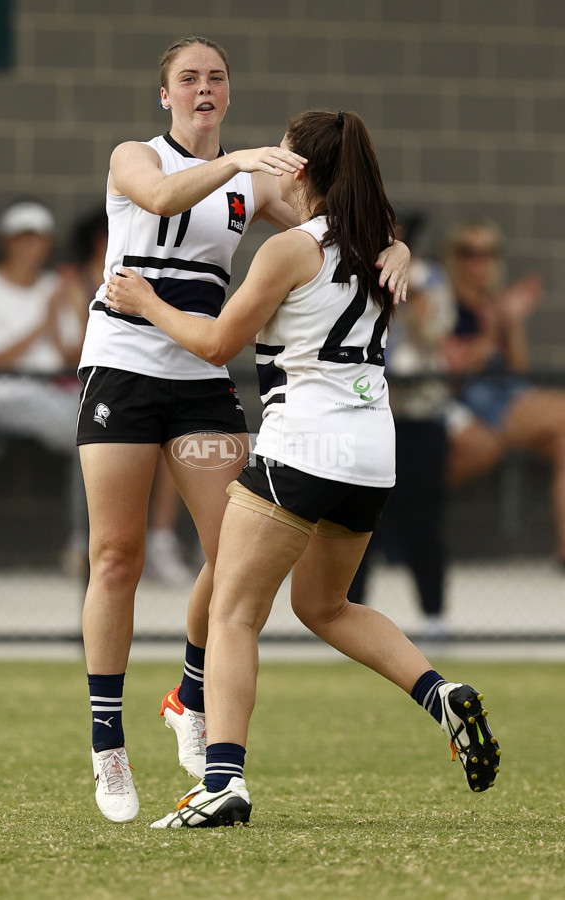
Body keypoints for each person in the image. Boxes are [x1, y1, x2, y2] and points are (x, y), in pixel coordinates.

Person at [106, 109, 500, 829]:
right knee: (324, 607)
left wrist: (147, 302)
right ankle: (439, 693)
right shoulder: (379, 244)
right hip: (371, 455)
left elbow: (217, 343)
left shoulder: (291, 249)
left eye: (283, 158)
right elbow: (385, 243)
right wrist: (404, 246)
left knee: (233, 610)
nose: (272, 167)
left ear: (305, 170)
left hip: (302, 447)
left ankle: (222, 780)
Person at [76, 36, 411, 824]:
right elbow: (159, 200)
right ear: (166, 95)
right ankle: (106, 745)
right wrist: (240, 165)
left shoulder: (248, 182)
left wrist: (394, 246)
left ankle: (189, 696)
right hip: (122, 368)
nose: (203, 89)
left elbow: (343, 223)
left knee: (235, 553)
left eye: (215, 78)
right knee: (117, 555)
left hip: (199, 380)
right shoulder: (141, 157)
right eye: (188, 79)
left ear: (228, 93)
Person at [62, 207, 193, 585]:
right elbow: (71, 349)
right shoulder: (76, 282)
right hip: (90, 382)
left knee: (174, 447)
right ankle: (81, 538)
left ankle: (161, 539)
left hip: (171, 375)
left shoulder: (157, 273)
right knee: (88, 451)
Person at [348, 215, 456, 639]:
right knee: (357, 521)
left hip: (417, 417)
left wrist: (410, 304)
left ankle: (434, 614)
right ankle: (349, 616)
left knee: (422, 520)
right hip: (366, 415)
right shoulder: (353, 274)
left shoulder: (429, 279)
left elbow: (431, 338)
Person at [0, 199, 87, 565]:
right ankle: (84, 544)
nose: (29, 247)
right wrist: (45, 319)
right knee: (87, 433)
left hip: (52, 394)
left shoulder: (54, 285)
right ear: (7, 241)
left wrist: (77, 309)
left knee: (105, 424)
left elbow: (72, 356)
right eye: (21, 238)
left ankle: (87, 545)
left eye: (36, 239)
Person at [441, 219, 565, 568]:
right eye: (469, 253)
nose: (480, 262)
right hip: (473, 402)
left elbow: (518, 367)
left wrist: (509, 321)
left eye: (488, 253)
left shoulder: (494, 302)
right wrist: (493, 324)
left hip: (507, 394)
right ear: (455, 257)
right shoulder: (444, 304)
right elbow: (452, 375)